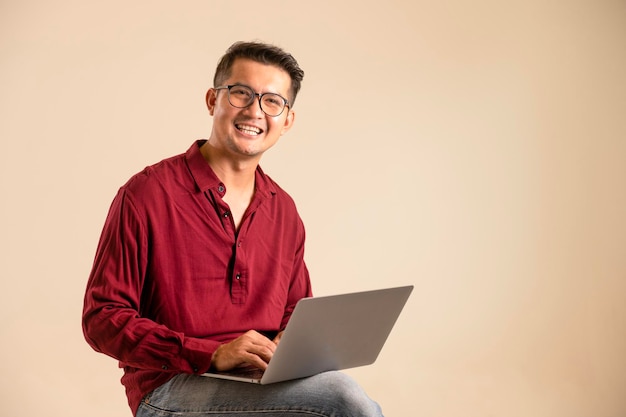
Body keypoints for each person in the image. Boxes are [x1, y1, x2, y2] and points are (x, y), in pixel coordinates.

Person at [82, 41, 384, 417]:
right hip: (170, 387)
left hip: (261, 385)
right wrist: (212, 354)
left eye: (272, 101)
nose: (255, 111)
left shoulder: (284, 210)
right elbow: (102, 319)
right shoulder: (147, 194)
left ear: (287, 119)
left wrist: (291, 345)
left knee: (334, 389)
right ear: (213, 100)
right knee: (344, 399)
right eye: (241, 94)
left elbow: (294, 309)